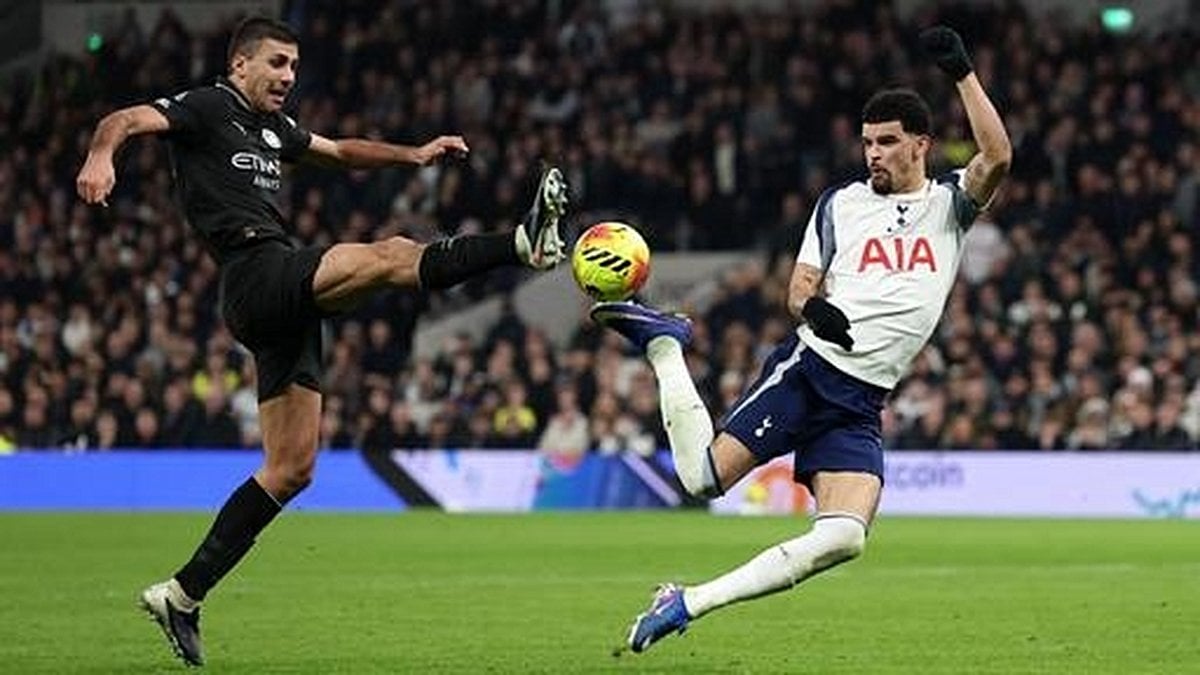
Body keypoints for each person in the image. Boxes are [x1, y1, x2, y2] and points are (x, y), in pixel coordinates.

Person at [74, 17, 569, 666]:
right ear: (240, 64)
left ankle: (182, 594)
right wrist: (101, 155)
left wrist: (412, 154)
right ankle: (522, 243)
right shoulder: (207, 106)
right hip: (254, 274)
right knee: (391, 255)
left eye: (294, 67)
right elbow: (124, 120)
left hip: (282, 302)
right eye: (276, 63)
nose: (288, 76)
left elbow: (340, 151)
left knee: (291, 469)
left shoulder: (275, 129)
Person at [591, 26, 1011, 654]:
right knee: (701, 480)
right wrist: (816, 311)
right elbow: (798, 289)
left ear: (921, 145)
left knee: (845, 537)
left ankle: (686, 602)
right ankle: (665, 346)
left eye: (887, 142)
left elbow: (997, 156)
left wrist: (963, 75)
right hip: (811, 372)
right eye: (867, 143)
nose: (873, 154)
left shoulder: (949, 204)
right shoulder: (840, 204)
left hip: (862, 400)